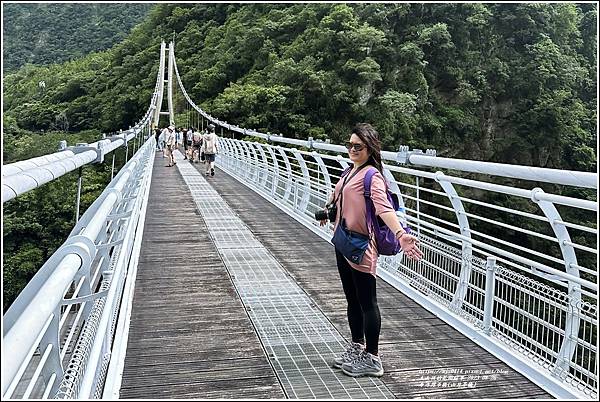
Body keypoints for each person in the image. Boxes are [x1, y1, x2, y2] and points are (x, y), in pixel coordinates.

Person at [319, 123, 423, 378]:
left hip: (361, 245)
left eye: (358, 146)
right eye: (350, 145)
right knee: (352, 300)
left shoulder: (372, 177)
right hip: (343, 240)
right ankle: (357, 347)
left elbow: (384, 208)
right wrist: (328, 210)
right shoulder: (348, 171)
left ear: (370, 149)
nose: (352, 150)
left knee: (367, 302)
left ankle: (373, 358)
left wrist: (401, 235)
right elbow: (339, 199)